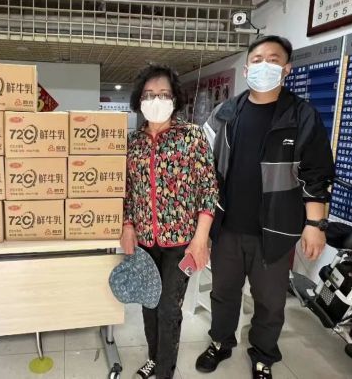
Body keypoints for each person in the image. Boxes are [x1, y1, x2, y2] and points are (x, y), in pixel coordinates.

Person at [195, 35, 334, 379]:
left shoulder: (301, 115)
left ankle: (264, 354)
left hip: (276, 228)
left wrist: (315, 225)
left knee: (270, 301)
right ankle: (220, 342)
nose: (264, 66)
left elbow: (316, 174)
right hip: (227, 227)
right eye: (257, 60)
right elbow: (201, 166)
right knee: (223, 293)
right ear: (246, 69)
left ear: (287, 69)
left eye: (273, 60)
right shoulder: (225, 113)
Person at [121, 64, 219, 379]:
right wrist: (127, 226)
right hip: (144, 241)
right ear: (139, 100)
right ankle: (154, 358)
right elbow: (127, 190)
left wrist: (201, 239)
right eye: (149, 94)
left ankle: (165, 371)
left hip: (181, 242)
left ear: (174, 99)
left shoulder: (192, 137)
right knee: (148, 303)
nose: (156, 100)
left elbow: (209, 191)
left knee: (168, 308)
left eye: (163, 94)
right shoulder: (133, 142)